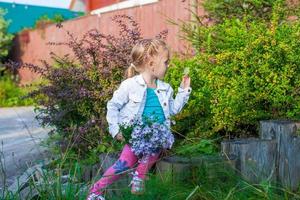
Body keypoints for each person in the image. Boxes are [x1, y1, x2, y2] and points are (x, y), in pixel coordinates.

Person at [87, 39, 191, 200]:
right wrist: (115, 130)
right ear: (151, 64)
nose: (168, 65)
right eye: (166, 62)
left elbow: (173, 110)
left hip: (156, 136)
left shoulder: (166, 89)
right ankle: (95, 191)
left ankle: (138, 178)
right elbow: (113, 106)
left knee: (155, 146)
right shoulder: (129, 85)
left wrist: (184, 91)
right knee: (123, 164)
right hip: (135, 136)